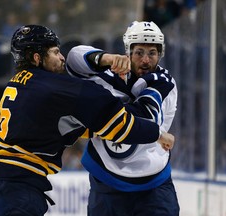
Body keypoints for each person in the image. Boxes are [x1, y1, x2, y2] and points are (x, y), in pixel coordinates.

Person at [0, 24, 175, 216]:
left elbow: (72, 126)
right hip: (14, 191)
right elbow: (122, 127)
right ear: (37, 57)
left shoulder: (20, 83)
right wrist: (158, 133)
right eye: (54, 52)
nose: (62, 58)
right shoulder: (62, 89)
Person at [66, 21, 180, 215]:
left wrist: (96, 112)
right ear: (128, 52)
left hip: (153, 184)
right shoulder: (108, 72)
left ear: (160, 54)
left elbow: (140, 122)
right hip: (106, 181)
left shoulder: (165, 84)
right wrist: (106, 59)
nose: (145, 60)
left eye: (152, 53)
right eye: (139, 52)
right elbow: (73, 58)